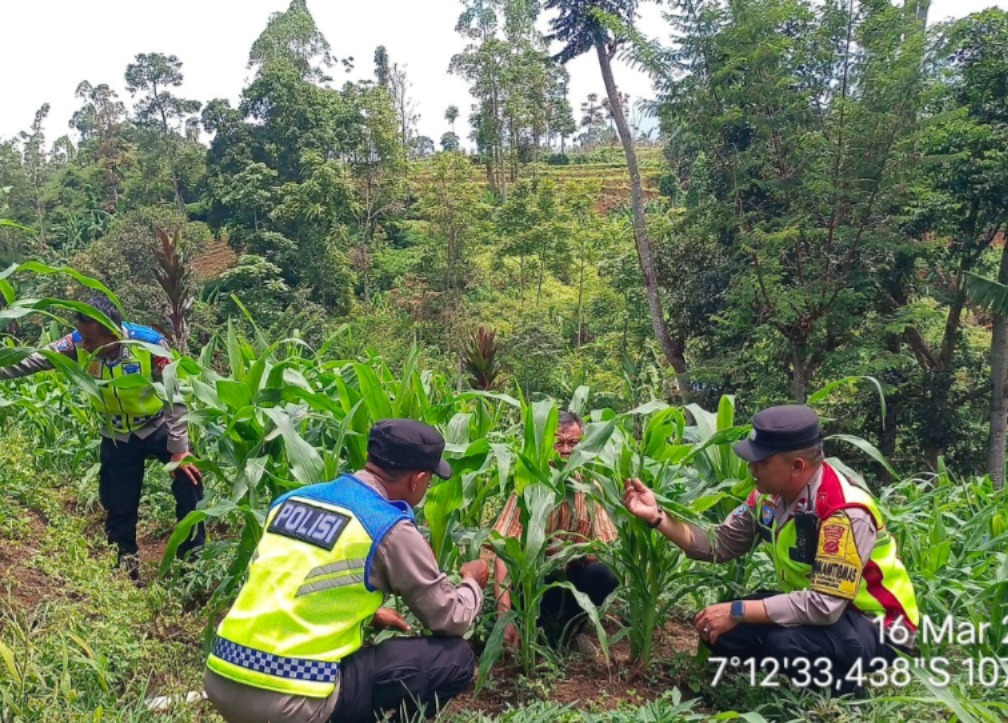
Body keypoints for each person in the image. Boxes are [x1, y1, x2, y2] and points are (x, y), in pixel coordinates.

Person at [204, 418, 490, 723]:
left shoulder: (291, 501)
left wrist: (370, 614)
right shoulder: (388, 526)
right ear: (417, 479)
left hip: (221, 678)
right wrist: (472, 581)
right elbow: (450, 619)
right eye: (429, 480)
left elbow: (286, 581)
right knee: (454, 659)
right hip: (290, 702)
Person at [622, 405, 919, 694]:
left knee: (786, 644)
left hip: (877, 625)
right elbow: (719, 544)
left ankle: (848, 698)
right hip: (818, 611)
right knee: (719, 629)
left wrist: (738, 610)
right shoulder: (768, 497)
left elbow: (824, 606)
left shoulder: (842, 512)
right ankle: (791, 676)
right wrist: (657, 517)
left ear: (797, 466)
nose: (751, 468)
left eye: (761, 461)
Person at [0, 294, 204, 581]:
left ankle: (191, 564)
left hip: (157, 425)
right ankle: (126, 570)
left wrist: (179, 449)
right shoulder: (75, 343)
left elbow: (175, 394)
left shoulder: (148, 344)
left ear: (112, 332)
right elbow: (31, 362)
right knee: (119, 505)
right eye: (82, 338)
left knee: (190, 480)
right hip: (117, 433)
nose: (85, 346)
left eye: (93, 340)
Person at [492, 410, 619, 654]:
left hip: (571, 580)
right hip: (532, 584)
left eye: (573, 443)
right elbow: (502, 553)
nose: (565, 450)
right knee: (527, 580)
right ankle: (526, 630)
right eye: (558, 443)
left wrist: (572, 553)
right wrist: (503, 617)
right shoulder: (527, 487)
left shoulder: (590, 490)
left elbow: (605, 548)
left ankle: (571, 631)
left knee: (604, 574)